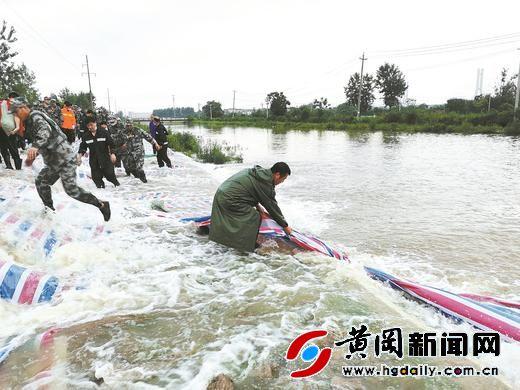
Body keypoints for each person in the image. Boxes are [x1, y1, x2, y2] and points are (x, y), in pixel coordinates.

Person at [10, 98, 111, 221]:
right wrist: (34, 153)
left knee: (72, 191)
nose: (15, 115)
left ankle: (102, 205)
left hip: (65, 158)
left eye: (16, 112)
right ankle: (50, 211)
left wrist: (35, 146)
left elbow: (44, 131)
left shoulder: (35, 117)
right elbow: (46, 140)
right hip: (54, 161)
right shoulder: (29, 121)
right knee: (41, 181)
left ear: (23, 108)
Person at [209, 162, 292, 252]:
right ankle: (246, 245)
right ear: (277, 175)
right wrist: (285, 226)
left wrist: (258, 206)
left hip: (221, 194)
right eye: (283, 179)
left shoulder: (258, 173)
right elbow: (272, 207)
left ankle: (234, 238)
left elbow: (249, 189)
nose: (281, 182)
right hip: (229, 199)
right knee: (254, 216)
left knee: (253, 213)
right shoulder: (266, 183)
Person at [78, 118, 120, 188]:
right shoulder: (86, 136)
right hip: (94, 160)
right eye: (88, 126)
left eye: (91, 125)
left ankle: (118, 187)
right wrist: (79, 157)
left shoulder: (104, 132)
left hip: (105, 158)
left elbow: (112, 144)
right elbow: (83, 148)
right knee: (96, 179)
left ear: (95, 123)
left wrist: (113, 154)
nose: (90, 127)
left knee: (110, 176)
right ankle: (102, 192)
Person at [0, 92, 23, 170]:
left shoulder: (1, 103)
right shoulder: (15, 104)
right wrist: (18, 128)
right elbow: (17, 116)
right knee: (13, 147)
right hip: (11, 129)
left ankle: (8, 165)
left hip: (1, 128)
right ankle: (18, 168)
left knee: (3, 147)